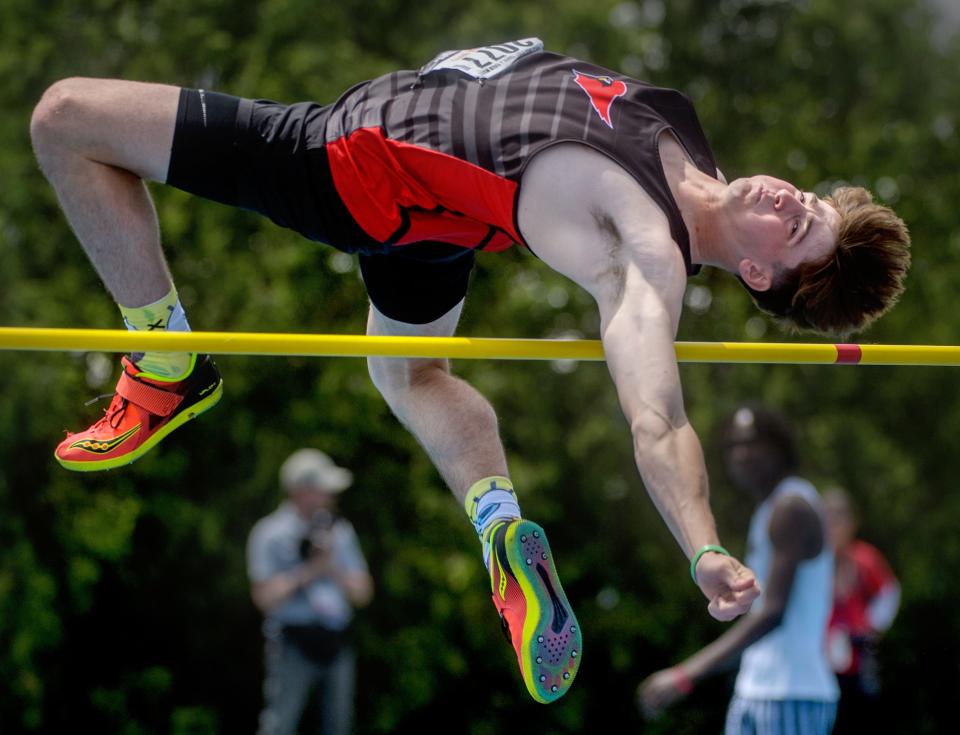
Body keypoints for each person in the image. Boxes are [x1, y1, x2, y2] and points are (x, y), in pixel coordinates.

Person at [30, 38, 910, 703]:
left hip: (350, 163)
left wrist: (705, 546)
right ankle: (499, 530)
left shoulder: (643, 257)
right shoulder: (686, 138)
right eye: (812, 203)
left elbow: (659, 418)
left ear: (757, 274)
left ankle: (165, 361)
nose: (794, 201)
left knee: (65, 118)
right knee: (408, 374)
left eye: (798, 231)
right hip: (431, 209)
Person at [639, 404, 839, 734]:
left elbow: (772, 612)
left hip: (790, 693)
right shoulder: (771, 507)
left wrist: (687, 673)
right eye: (733, 445)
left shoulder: (792, 507)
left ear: (780, 447)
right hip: (757, 690)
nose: (741, 454)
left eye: (751, 442)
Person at [247, 448, 374, 735]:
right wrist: (310, 571)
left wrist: (331, 567)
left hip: (336, 643)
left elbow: (363, 593)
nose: (331, 497)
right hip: (291, 644)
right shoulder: (269, 533)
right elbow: (264, 598)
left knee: (339, 725)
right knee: (280, 725)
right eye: (324, 490)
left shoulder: (340, 533)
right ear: (301, 491)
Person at [823, 487, 900, 733]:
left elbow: (890, 594)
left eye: (839, 517)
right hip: (820, 664)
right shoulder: (814, 562)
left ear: (852, 522)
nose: (834, 525)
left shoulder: (864, 558)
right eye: (828, 517)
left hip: (858, 665)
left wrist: (870, 627)